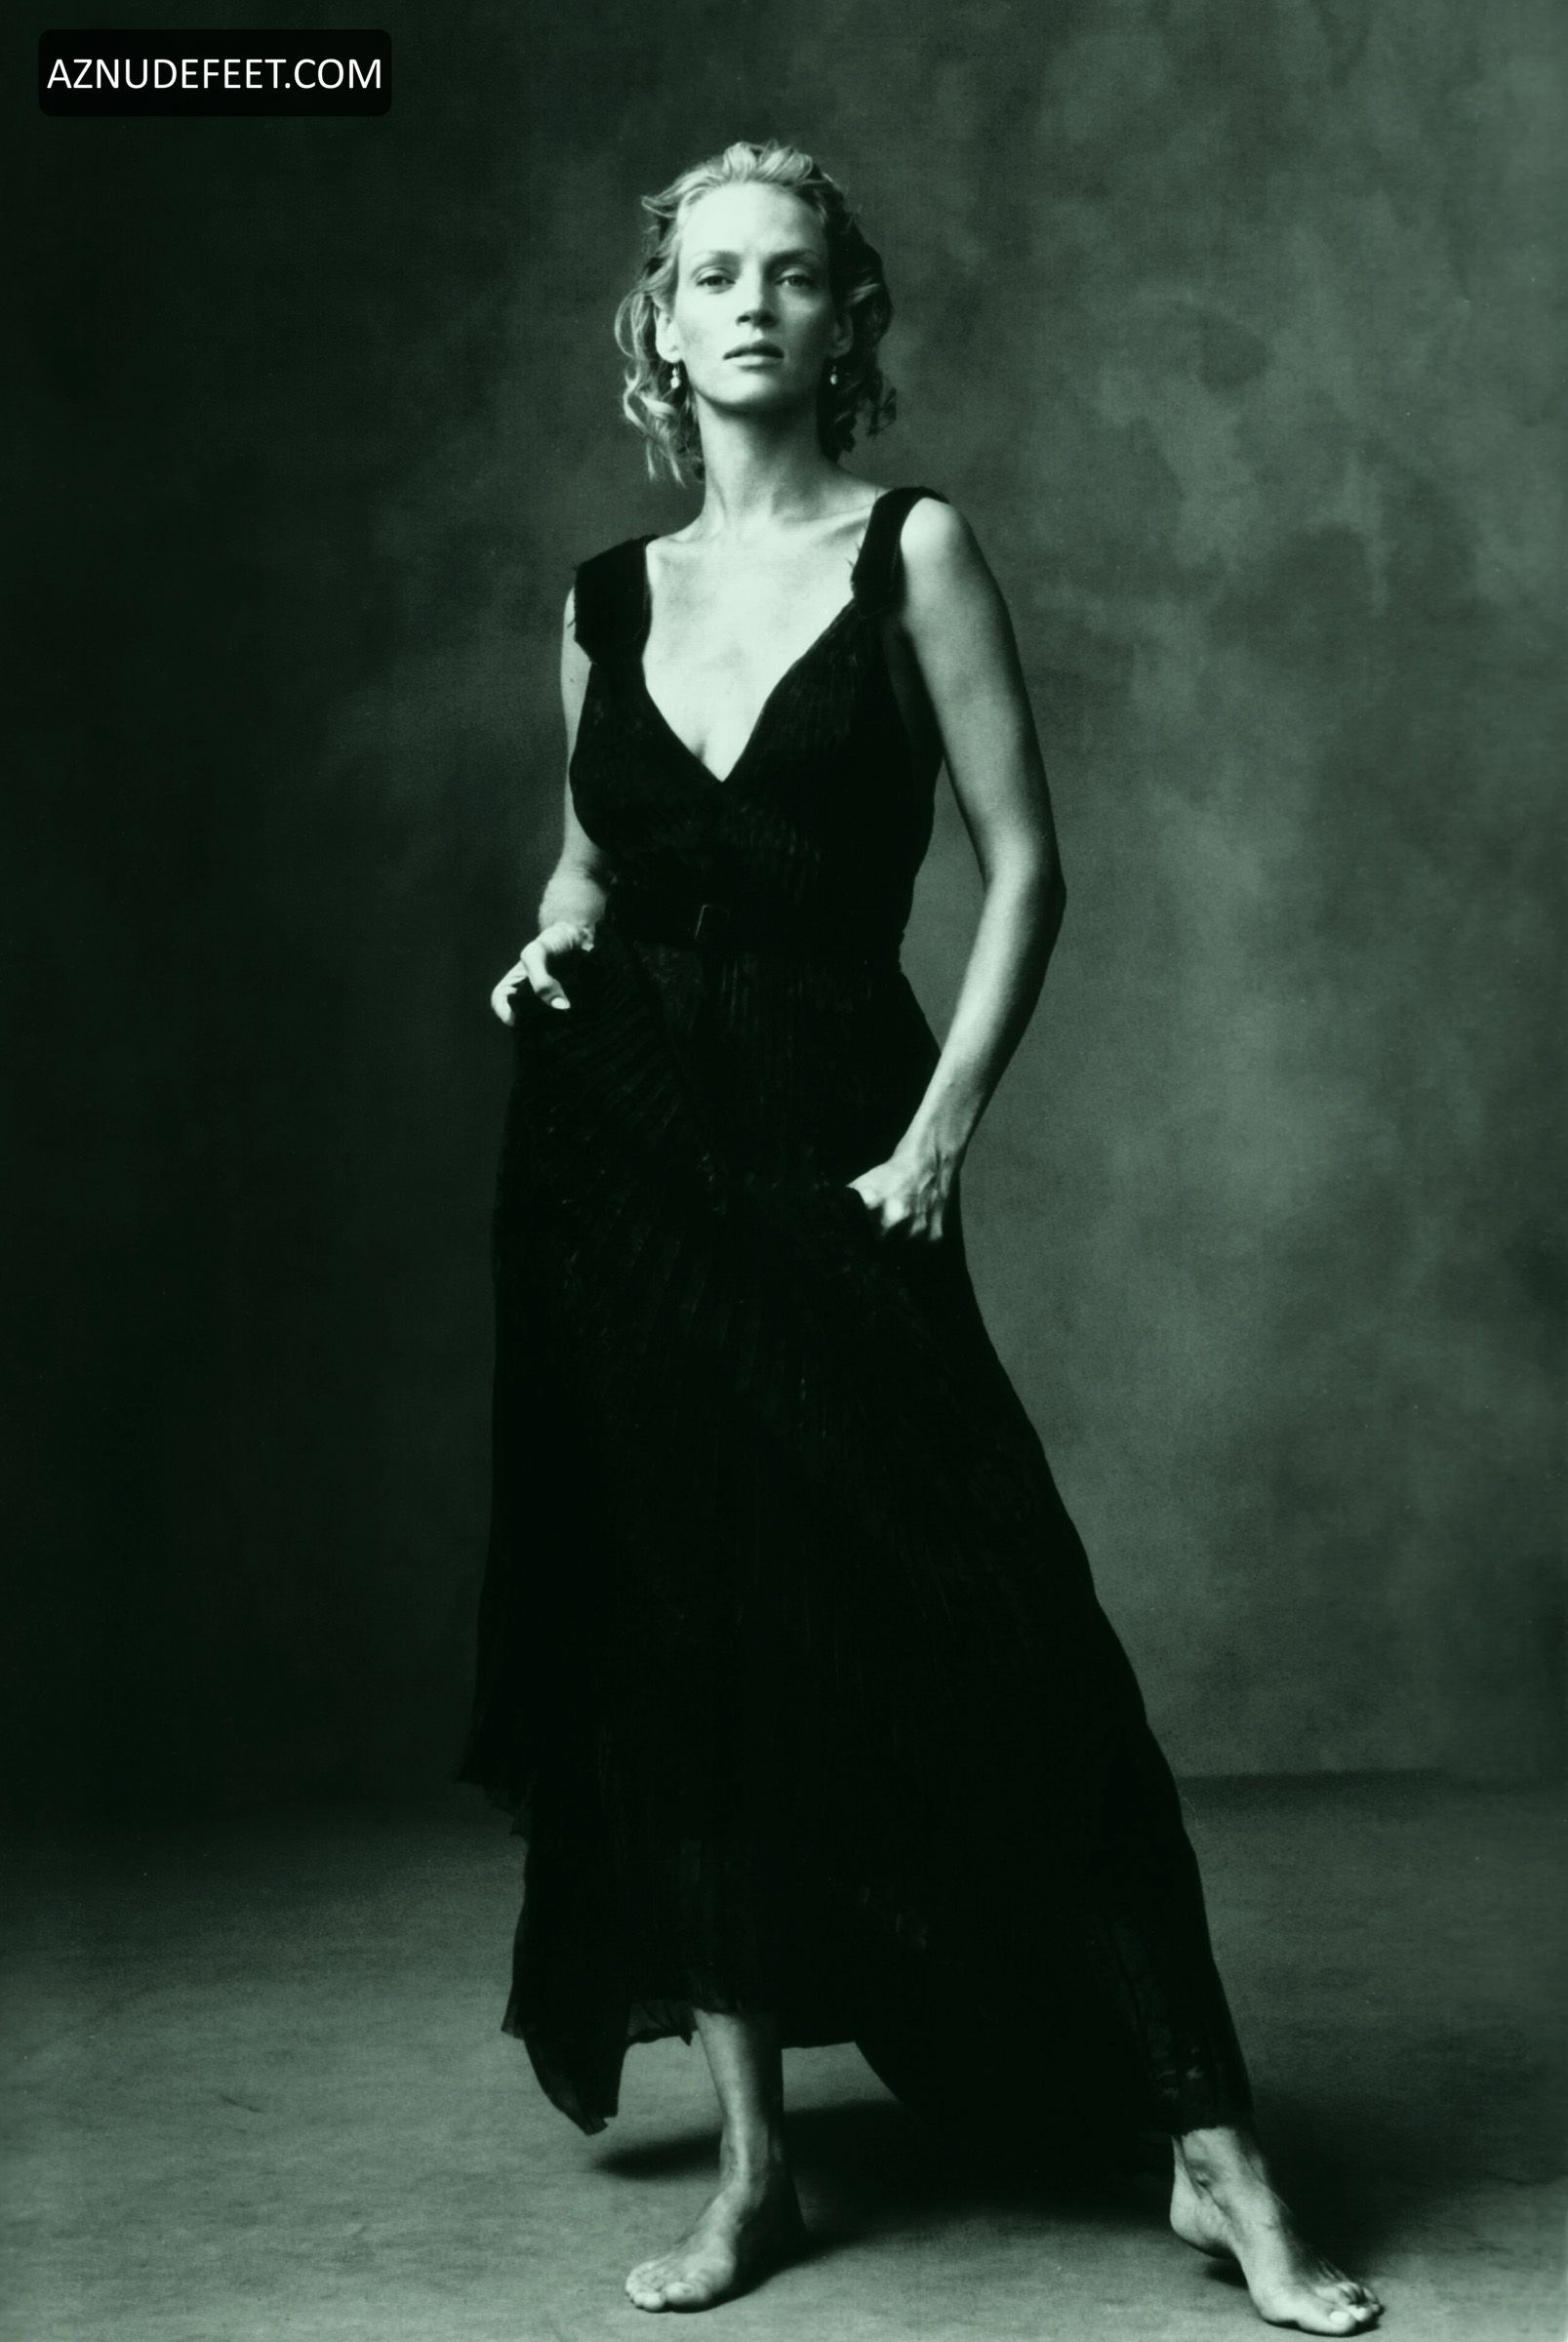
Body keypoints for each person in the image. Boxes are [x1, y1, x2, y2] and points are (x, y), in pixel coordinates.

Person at [455, 138, 1382, 2334]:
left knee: (1010, 1625)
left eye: (792, 274)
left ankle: (1217, 2155)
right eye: (712, 275)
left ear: (846, 318)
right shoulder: (601, 601)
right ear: (661, 324)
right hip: (616, 1167)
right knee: (682, 1646)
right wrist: (546, 944)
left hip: (846, 1139)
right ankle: (756, 2174)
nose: (752, 305)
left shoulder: (916, 551)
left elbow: (1026, 868)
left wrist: (940, 1132)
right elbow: (594, 865)